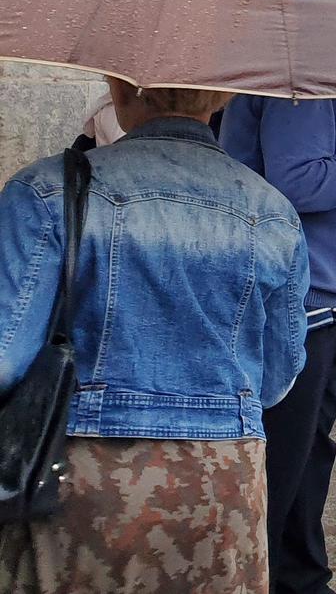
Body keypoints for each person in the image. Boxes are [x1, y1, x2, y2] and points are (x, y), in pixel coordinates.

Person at [0, 82, 307, 593]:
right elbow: (275, 378)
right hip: (226, 478)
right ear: (222, 98)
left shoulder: (48, 189)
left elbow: (5, 355)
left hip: (83, 473)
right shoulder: (273, 211)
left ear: (119, 88)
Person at [221, 93, 336, 594]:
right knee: (286, 458)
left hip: (306, 295)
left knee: (306, 454)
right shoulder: (301, 86)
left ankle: (302, 577)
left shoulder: (311, 87)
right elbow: (296, 182)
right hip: (294, 298)